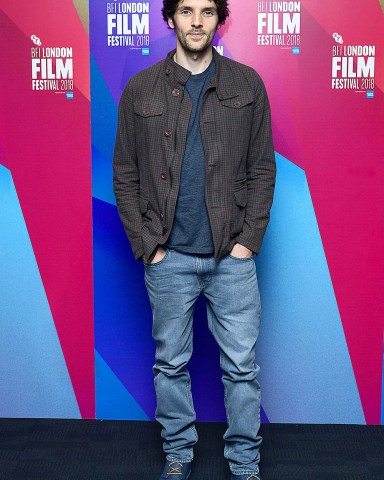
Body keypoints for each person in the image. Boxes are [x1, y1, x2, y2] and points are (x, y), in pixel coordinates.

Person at [113, 0, 276, 478]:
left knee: (243, 369)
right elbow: (124, 173)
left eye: (207, 10)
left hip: (232, 257)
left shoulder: (247, 84)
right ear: (170, 18)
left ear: (219, 17)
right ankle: (178, 454)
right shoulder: (141, 88)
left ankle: (245, 461)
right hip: (169, 258)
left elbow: (263, 168)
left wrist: (248, 241)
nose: (197, 21)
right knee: (170, 365)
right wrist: (150, 246)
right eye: (186, 10)